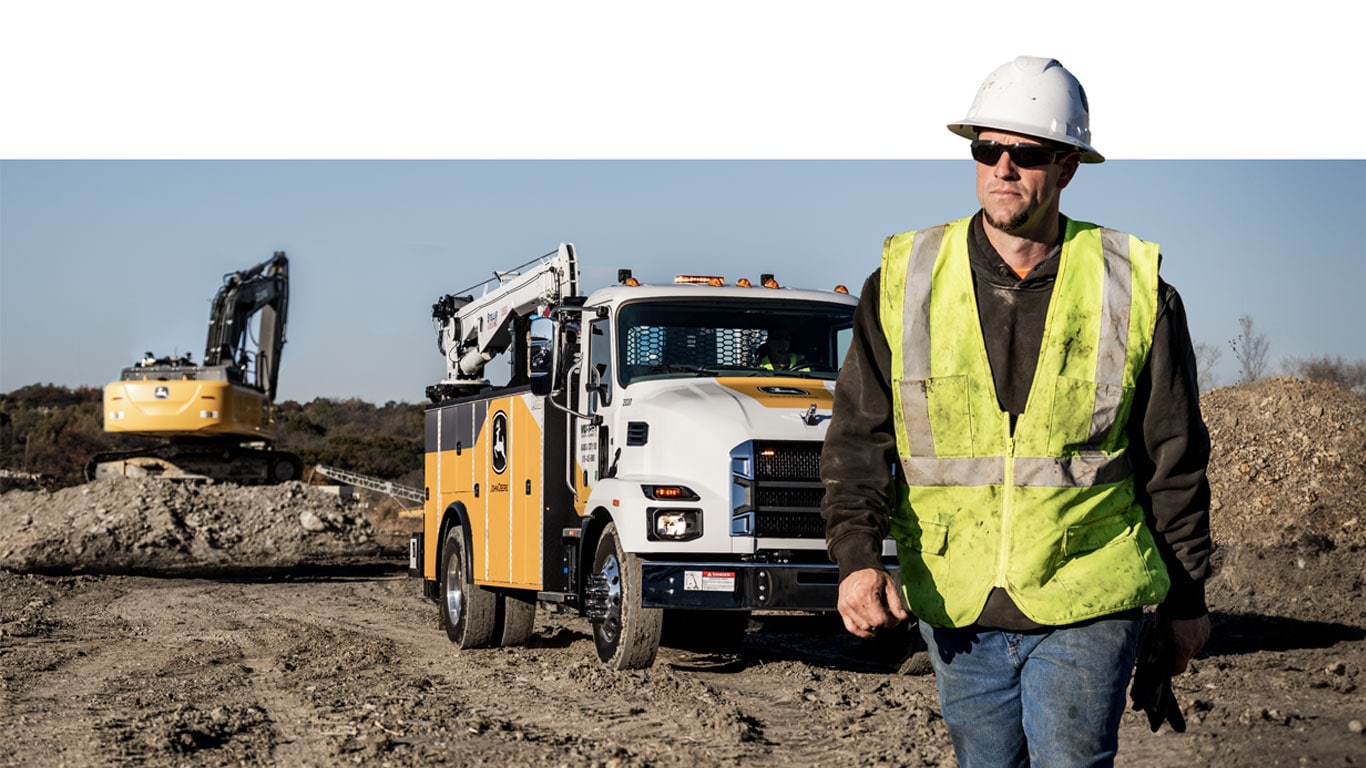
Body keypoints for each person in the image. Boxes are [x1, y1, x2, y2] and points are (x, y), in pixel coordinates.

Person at [820, 56, 1212, 767]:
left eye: (1024, 154)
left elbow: (1173, 456)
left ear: (1066, 168)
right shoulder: (906, 280)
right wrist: (855, 559)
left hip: (1087, 597)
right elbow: (859, 438)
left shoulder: (1133, 286)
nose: (1001, 167)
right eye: (985, 149)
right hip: (957, 605)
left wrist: (1186, 599)